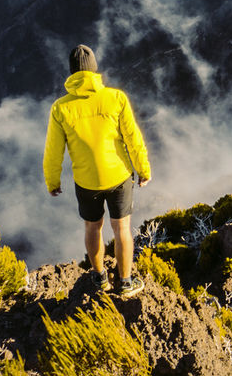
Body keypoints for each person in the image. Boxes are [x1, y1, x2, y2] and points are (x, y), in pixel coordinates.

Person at [42, 44, 152, 296]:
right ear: (94, 70)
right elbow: (133, 139)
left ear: (72, 73)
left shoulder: (60, 108)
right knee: (122, 228)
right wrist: (143, 169)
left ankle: (99, 277)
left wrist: (53, 180)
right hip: (119, 175)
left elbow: (53, 151)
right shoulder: (116, 98)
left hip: (86, 181)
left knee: (93, 228)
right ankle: (125, 282)